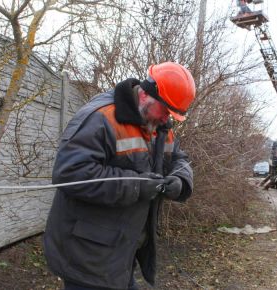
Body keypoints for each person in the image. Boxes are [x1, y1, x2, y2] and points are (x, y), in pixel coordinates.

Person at [43, 62, 195, 290]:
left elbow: (179, 160)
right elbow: (69, 172)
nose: (167, 119)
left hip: (122, 252)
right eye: (165, 111)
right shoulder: (102, 118)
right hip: (88, 257)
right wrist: (136, 185)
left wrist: (181, 181)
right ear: (146, 95)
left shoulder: (161, 126)